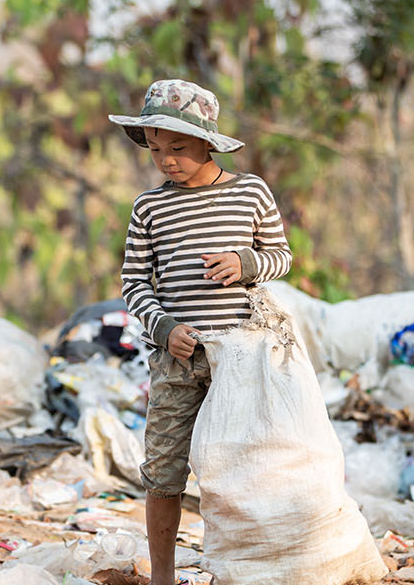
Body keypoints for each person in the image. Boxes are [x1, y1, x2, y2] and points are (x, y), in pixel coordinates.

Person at [108, 79, 293, 585]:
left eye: (178, 147)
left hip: (242, 358)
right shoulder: (150, 208)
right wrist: (164, 328)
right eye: (155, 149)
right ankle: (163, 577)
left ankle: (245, 570)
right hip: (178, 361)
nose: (166, 160)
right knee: (164, 471)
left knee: (244, 468)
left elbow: (281, 256)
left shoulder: (250, 192)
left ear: (207, 143)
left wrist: (245, 262)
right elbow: (133, 282)